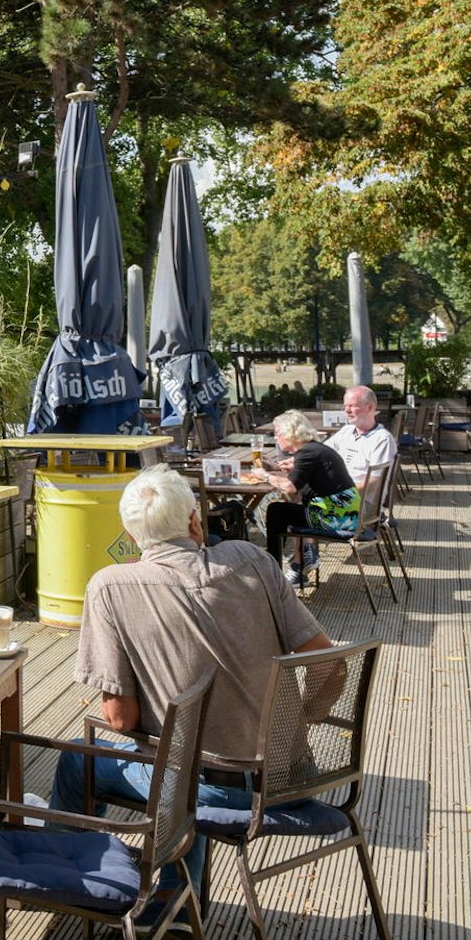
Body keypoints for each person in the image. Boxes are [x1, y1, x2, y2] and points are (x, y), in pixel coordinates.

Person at [54, 463, 334, 904]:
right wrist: (308, 716)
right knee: (184, 752)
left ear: (131, 535)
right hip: (288, 779)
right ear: (193, 521)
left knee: (81, 759)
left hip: (204, 788)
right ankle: (176, 893)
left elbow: (120, 718)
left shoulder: (110, 587)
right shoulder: (254, 561)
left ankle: (73, 877)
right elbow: (329, 664)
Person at [262, 409, 359, 588]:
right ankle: (298, 562)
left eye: (277, 434)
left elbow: (290, 487)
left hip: (336, 519)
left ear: (289, 433)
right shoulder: (315, 449)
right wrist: (294, 467)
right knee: (286, 509)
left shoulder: (306, 453)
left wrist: (264, 476)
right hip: (346, 513)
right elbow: (309, 479)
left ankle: (273, 570)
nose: (276, 438)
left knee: (276, 511)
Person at [324, 385, 397, 488]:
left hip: (358, 499)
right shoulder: (347, 431)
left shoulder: (382, 439)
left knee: (309, 501)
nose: (347, 410)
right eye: (345, 406)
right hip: (338, 491)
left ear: (370, 407)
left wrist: (340, 493)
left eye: (352, 406)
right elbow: (323, 452)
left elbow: (375, 481)